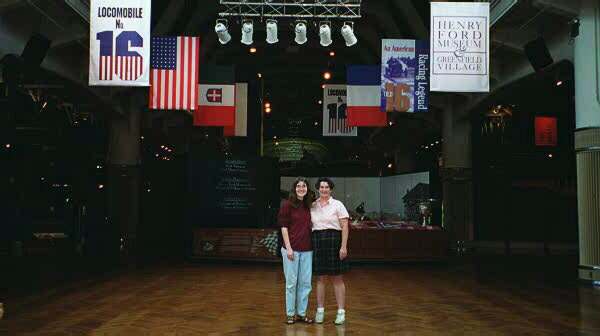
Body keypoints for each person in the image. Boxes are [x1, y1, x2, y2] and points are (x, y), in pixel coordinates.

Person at [311, 177, 350, 325]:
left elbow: (345, 227)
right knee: (320, 279)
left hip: (335, 241)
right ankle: (320, 311)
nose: (324, 189)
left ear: (331, 189)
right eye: (321, 187)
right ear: (318, 189)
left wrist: (344, 246)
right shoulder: (312, 205)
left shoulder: (338, 205)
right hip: (317, 242)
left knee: (337, 278)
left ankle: (341, 312)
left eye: (327, 187)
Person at [278, 177, 315, 324]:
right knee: (291, 283)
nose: (301, 188)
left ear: (307, 189)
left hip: (307, 250)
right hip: (291, 250)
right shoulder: (287, 205)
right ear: (294, 189)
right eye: (298, 186)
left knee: (306, 283)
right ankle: (290, 314)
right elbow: (283, 227)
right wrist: (288, 248)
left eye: (304, 186)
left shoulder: (309, 205)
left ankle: (301, 313)